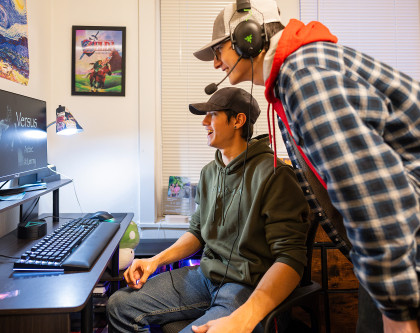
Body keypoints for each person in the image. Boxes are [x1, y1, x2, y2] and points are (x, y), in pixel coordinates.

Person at [192, 1, 420, 332]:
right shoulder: (295, 75)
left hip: (402, 241)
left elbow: (374, 202)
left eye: (218, 50)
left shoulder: (302, 78)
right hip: (401, 242)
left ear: (249, 37)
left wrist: (398, 318)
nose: (215, 63)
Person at [107, 87, 310, 332]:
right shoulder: (209, 173)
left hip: (247, 286)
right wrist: (154, 261)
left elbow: (290, 258)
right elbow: (197, 232)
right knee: (119, 304)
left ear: (238, 120)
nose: (204, 122)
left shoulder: (275, 174)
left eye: (212, 114)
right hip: (205, 278)